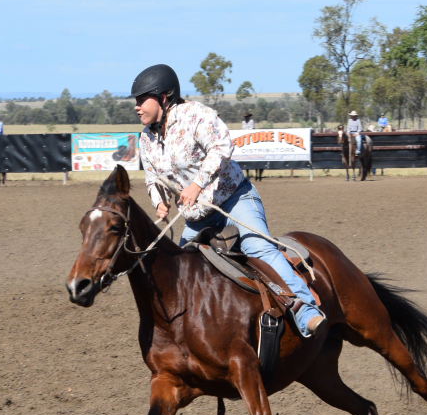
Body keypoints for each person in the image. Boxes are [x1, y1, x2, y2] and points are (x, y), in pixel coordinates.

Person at [131, 63, 324, 338]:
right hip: (197, 218)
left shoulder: (195, 115)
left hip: (234, 199)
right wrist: (159, 201)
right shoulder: (146, 139)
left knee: (258, 248)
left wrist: (197, 184)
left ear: (163, 98)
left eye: (142, 99)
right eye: (136, 101)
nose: (137, 107)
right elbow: (152, 178)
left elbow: (222, 146)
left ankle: (306, 311)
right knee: (180, 271)